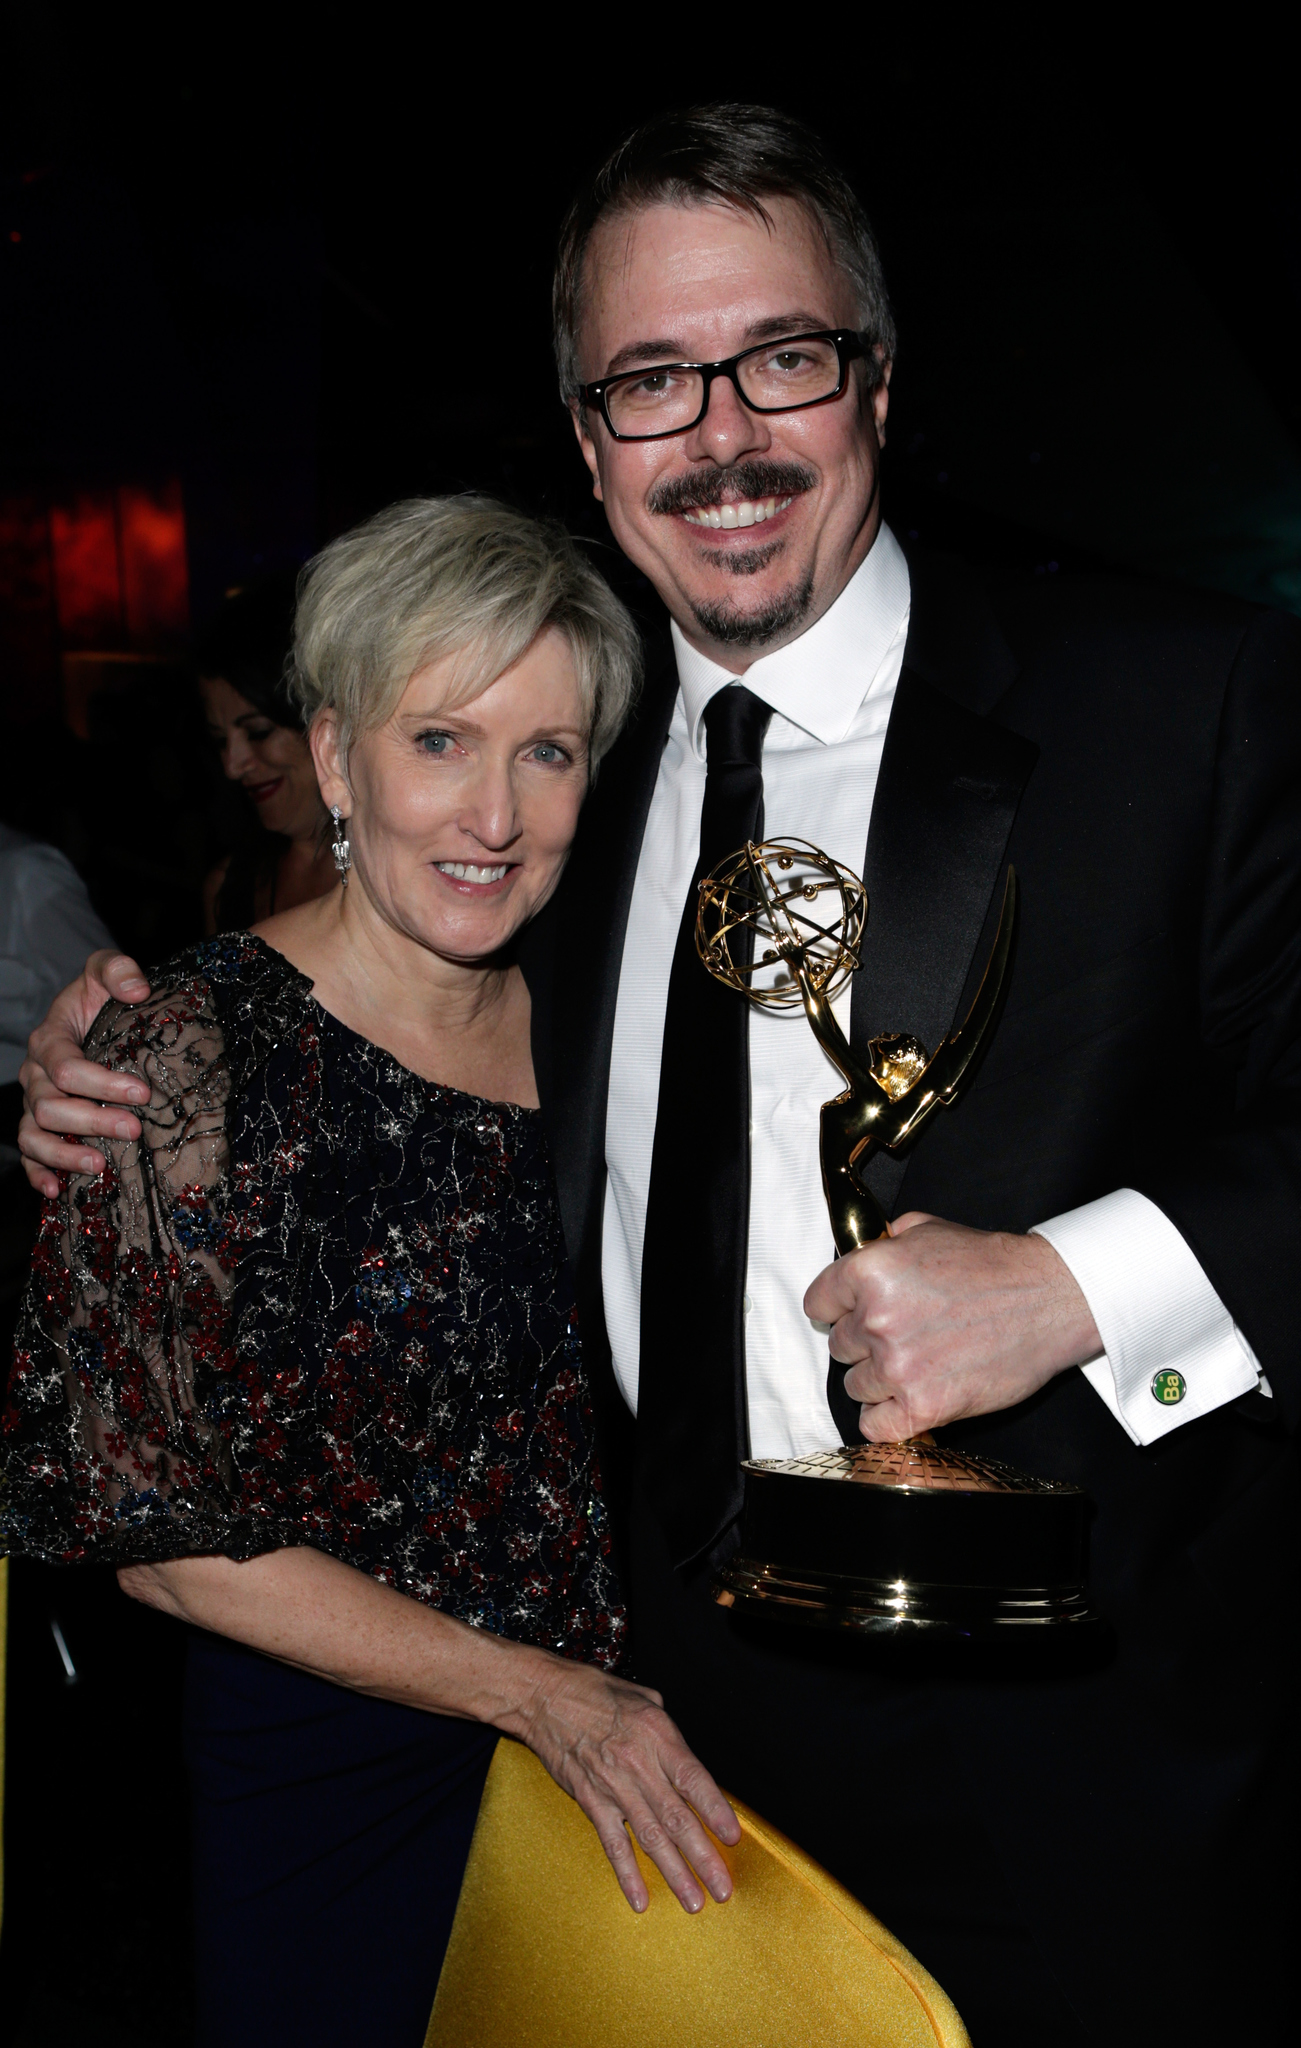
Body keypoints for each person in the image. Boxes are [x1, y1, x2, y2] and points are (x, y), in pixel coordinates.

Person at [17, 106, 1301, 2045]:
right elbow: (367, 1021)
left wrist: (1071, 1282)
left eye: (776, 356)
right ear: (584, 433)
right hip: (646, 1746)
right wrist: (110, 1061)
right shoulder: (561, 770)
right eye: (645, 381)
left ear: (873, 376)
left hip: (1089, 1764)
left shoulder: (1179, 696)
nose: (718, 434)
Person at [1, 495, 738, 2048]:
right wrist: (533, 1691)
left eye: (545, 752)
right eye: (439, 742)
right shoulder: (187, 1052)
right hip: (335, 1766)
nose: (493, 815)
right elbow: (158, 1535)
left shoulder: (610, 1016)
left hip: (626, 1745)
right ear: (335, 759)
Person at [196, 573, 338, 932]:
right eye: (219, 739)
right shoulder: (229, 889)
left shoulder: (398, 872)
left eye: (258, 732)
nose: (233, 766)